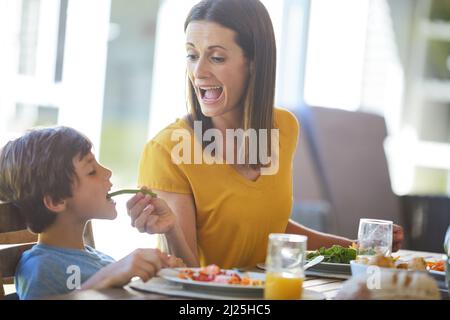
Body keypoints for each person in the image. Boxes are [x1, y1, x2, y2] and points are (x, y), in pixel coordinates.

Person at [126, 0, 404, 269]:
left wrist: (357, 249)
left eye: (217, 57)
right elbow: (182, 272)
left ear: (254, 62)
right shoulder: (168, 150)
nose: (198, 72)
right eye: (192, 55)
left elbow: (267, 225)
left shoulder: (283, 128)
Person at [0, 127, 184, 299]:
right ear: (56, 201)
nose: (108, 172)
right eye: (91, 171)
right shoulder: (41, 268)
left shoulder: (101, 260)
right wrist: (105, 278)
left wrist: (160, 278)